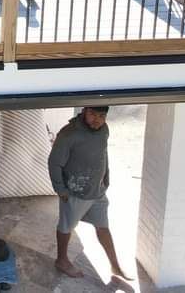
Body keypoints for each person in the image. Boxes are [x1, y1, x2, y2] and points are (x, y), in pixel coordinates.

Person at [47, 106, 132, 280]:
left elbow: (104, 152)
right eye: (93, 114)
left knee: (103, 227)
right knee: (66, 227)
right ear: (85, 111)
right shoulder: (69, 134)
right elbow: (54, 163)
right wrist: (60, 189)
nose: (97, 120)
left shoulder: (104, 130)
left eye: (102, 116)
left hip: (97, 191)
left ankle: (115, 266)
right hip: (75, 191)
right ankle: (61, 260)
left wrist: (106, 175)